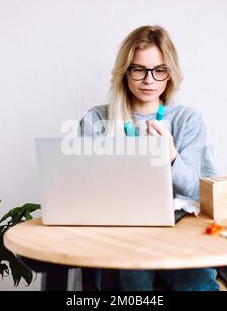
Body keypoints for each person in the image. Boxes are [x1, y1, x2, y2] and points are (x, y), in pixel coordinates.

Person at [78, 25, 219, 291]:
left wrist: (171, 158)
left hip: (178, 237)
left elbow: (196, 192)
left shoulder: (187, 120)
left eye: (159, 70)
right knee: (132, 279)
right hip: (119, 237)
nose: (149, 80)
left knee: (194, 283)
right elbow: (87, 194)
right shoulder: (96, 120)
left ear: (170, 74)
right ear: (125, 72)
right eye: (138, 69)